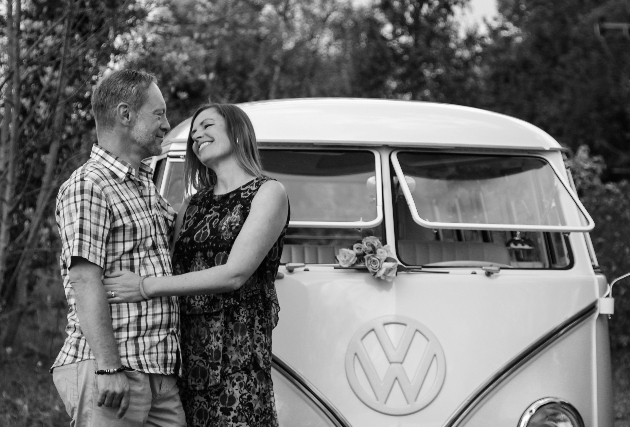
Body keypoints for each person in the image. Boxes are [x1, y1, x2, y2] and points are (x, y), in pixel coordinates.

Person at [102, 103, 290, 427]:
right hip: (186, 352)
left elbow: (235, 273)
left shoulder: (268, 192)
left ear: (236, 130)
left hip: (238, 349)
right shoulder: (192, 203)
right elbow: (167, 259)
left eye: (207, 126)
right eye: (193, 133)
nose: (197, 136)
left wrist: (144, 287)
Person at [51, 69, 186, 426]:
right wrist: (109, 366)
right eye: (158, 113)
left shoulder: (143, 183)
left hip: (158, 370)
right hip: (113, 370)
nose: (166, 123)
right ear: (126, 115)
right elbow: (83, 280)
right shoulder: (89, 185)